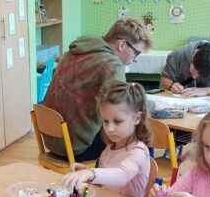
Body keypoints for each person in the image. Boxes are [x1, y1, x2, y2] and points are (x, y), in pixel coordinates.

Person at [42, 18, 153, 162]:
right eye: (136, 53)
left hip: (51, 138)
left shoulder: (74, 51)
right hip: (75, 146)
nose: (135, 59)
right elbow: (123, 105)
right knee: (140, 134)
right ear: (121, 45)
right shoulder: (111, 64)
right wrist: (154, 105)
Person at [61, 82, 151, 197]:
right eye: (105, 121)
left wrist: (91, 173)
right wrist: (86, 173)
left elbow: (122, 175)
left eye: (117, 121)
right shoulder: (108, 150)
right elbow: (104, 185)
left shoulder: (139, 152)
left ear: (137, 118)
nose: (110, 129)